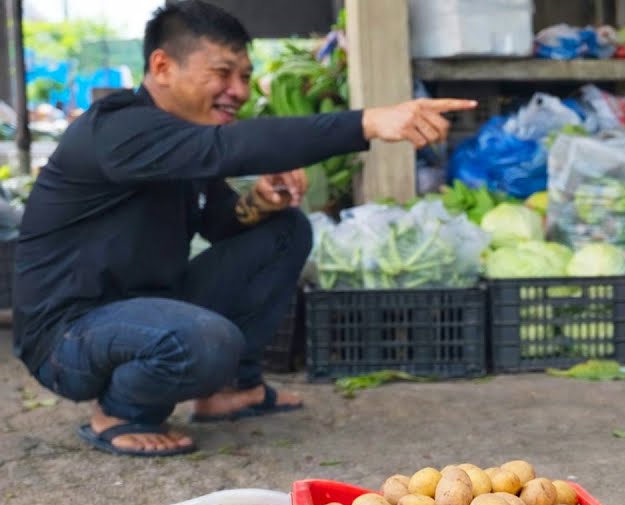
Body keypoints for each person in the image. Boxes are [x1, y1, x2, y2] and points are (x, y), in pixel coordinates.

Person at [12, 0, 476, 457]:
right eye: (222, 73)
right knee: (204, 338)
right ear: (162, 66)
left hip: (146, 311)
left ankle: (231, 390)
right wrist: (367, 122)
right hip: (67, 337)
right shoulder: (118, 128)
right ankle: (120, 413)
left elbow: (221, 223)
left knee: (285, 231)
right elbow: (227, 147)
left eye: (245, 77)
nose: (237, 90)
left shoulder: (185, 137)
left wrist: (259, 202)